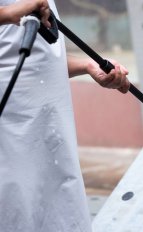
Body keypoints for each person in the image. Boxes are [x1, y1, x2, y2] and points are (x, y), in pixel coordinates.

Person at [0, 0, 130, 231]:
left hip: (53, 136)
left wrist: (87, 66)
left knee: (60, 215)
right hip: (11, 131)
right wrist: (8, 14)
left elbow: (37, 54)